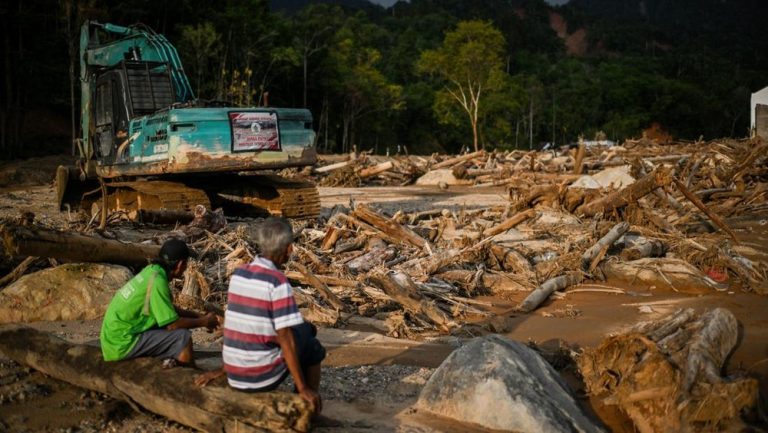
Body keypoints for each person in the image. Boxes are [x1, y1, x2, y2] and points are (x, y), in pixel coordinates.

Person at [195, 217, 325, 414]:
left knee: (303, 330)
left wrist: (224, 368)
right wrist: (303, 387)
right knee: (311, 344)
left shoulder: (239, 274)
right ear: (288, 249)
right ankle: (307, 407)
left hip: (235, 373)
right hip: (258, 377)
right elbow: (286, 338)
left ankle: (300, 390)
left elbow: (236, 326)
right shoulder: (277, 282)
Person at [100, 238, 219, 366]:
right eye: (185, 265)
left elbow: (167, 309)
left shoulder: (151, 271)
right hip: (122, 343)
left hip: (111, 338)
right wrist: (204, 322)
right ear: (180, 265)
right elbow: (172, 325)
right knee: (182, 337)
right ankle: (187, 377)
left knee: (168, 330)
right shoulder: (158, 281)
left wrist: (198, 316)